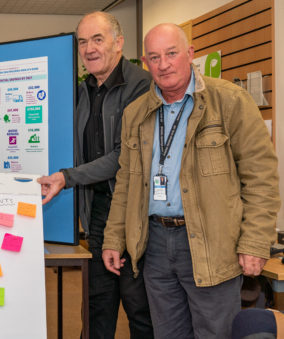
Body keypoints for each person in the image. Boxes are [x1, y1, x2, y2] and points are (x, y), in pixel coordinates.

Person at [102, 23, 280, 338]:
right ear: (145, 62)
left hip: (212, 242)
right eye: (154, 57)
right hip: (154, 244)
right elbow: (126, 184)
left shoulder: (230, 101)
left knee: (216, 332)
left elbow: (261, 177)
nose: (164, 64)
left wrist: (254, 242)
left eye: (171, 53)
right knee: (167, 333)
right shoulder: (136, 113)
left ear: (190, 54)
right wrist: (114, 239)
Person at [38, 11, 153, 338]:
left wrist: (65, 177)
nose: (89, 49)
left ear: (119, 43)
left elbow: (124, 157)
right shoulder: (81, 91)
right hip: (97, 216)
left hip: (135, 219)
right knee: (95, 309)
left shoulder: (141, 86)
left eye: (97, 39)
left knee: (139, 310)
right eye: (83, 42)